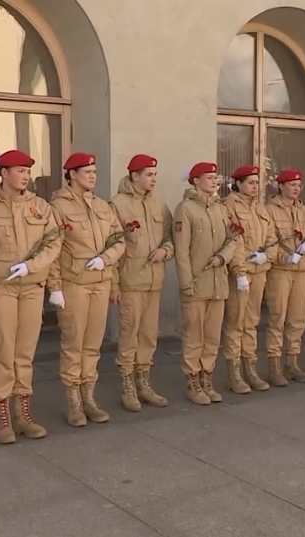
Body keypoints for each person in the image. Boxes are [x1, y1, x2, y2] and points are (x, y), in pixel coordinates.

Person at [0, 150, 62, 444]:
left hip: (32, 287)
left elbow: (53, 243)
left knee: (25, 353)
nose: (25, 176)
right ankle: (3, 417)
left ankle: (23, 414)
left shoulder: (40, 206)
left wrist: (32, 266)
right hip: (1, 289)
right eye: (20, 171)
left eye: (27, 171)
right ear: (4, 173)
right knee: (3, 352)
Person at [48, 152, 125, 427]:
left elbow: (118, 240)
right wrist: (55, 287)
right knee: (74, 344)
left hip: (100, 283)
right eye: (87, 172)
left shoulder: (103, 206)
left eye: (94, 171)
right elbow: (52, 250)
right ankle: (74, 402)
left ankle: (89, 398)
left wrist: (107, 263)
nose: (93, 176)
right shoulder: (57, 207)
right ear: (72, 174)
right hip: (74, 285)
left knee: (93, 345)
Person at [173, 161, 246, 405]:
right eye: (209, 177)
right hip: (197, 282)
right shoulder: (186, 209)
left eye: (216, 177)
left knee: (213, 336)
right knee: (194, 335)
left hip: (218, 283)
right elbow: (181, 250)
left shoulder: (220, 208)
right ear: (196, 180)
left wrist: (222, 257)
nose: (214, 181)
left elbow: (233, 239)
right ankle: (192, 381)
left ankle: (207, 378)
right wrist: (186, 282)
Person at [109, 154, 172, 412]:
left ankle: (144, 382)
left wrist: (165, 251)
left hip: (154, 281)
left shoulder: (159, 204)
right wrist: (113, 284)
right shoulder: (118, 205)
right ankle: (127, 385)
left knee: (148, 336)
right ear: (134, 176)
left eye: (155, 175)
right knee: (129, 335)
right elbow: (112, 247)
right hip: (130, 281)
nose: (153, 179)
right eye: (149, 175)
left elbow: (170, 237)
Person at [221, 165, 275, 393]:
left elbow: (272, 236)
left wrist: (267, 255)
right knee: (236, 322)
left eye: (257, 183)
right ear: (238, 184)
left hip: (259, 271)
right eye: (251, 183)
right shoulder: (229, 206)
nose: (255, 187)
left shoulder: (260, 207)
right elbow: (234, 241)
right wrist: (240, 272)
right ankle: (234, 373)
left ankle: (250, 368)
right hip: (241, 274)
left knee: (251, 322)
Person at [265, 169, 305, 385]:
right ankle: (274, 366)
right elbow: (269, 240)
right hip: (280, 271)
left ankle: (292, 363)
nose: (296, 189)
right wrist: (285, 257)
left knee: (297, 319)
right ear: (281, 186)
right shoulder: (270, 210)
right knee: (278, 318)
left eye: (299, 185)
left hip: (301, 270)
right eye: (292, 185)